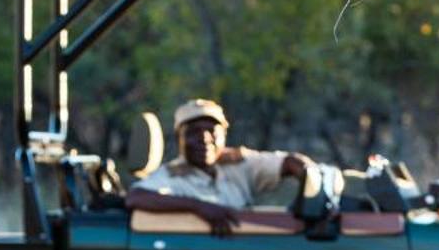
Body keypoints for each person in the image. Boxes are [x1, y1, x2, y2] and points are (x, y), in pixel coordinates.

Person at [125, 98, 312, 236]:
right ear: (179, 138)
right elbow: (136, 197)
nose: (205, 139)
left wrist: (310, 179)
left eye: (212, 131)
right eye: (193, 133)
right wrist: (198, 207)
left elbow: (289, 163)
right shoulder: (171, 175)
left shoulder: (238, 164)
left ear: (224, 135)